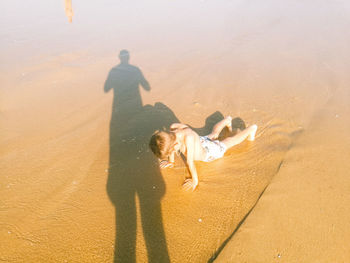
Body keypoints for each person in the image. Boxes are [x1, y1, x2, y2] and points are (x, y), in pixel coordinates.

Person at [149, 116, 257, 191]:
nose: (172, 152)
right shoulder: (172, 129)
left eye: (171, 151)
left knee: (228, 143)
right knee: (214, 134)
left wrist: (194, 180)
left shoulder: (188, 139)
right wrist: (171, 161)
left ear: (174, 144)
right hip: (201, 141)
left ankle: (251, 129)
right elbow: (176, 139)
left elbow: (190, 162)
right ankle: (227, 120)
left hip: (209, 153)